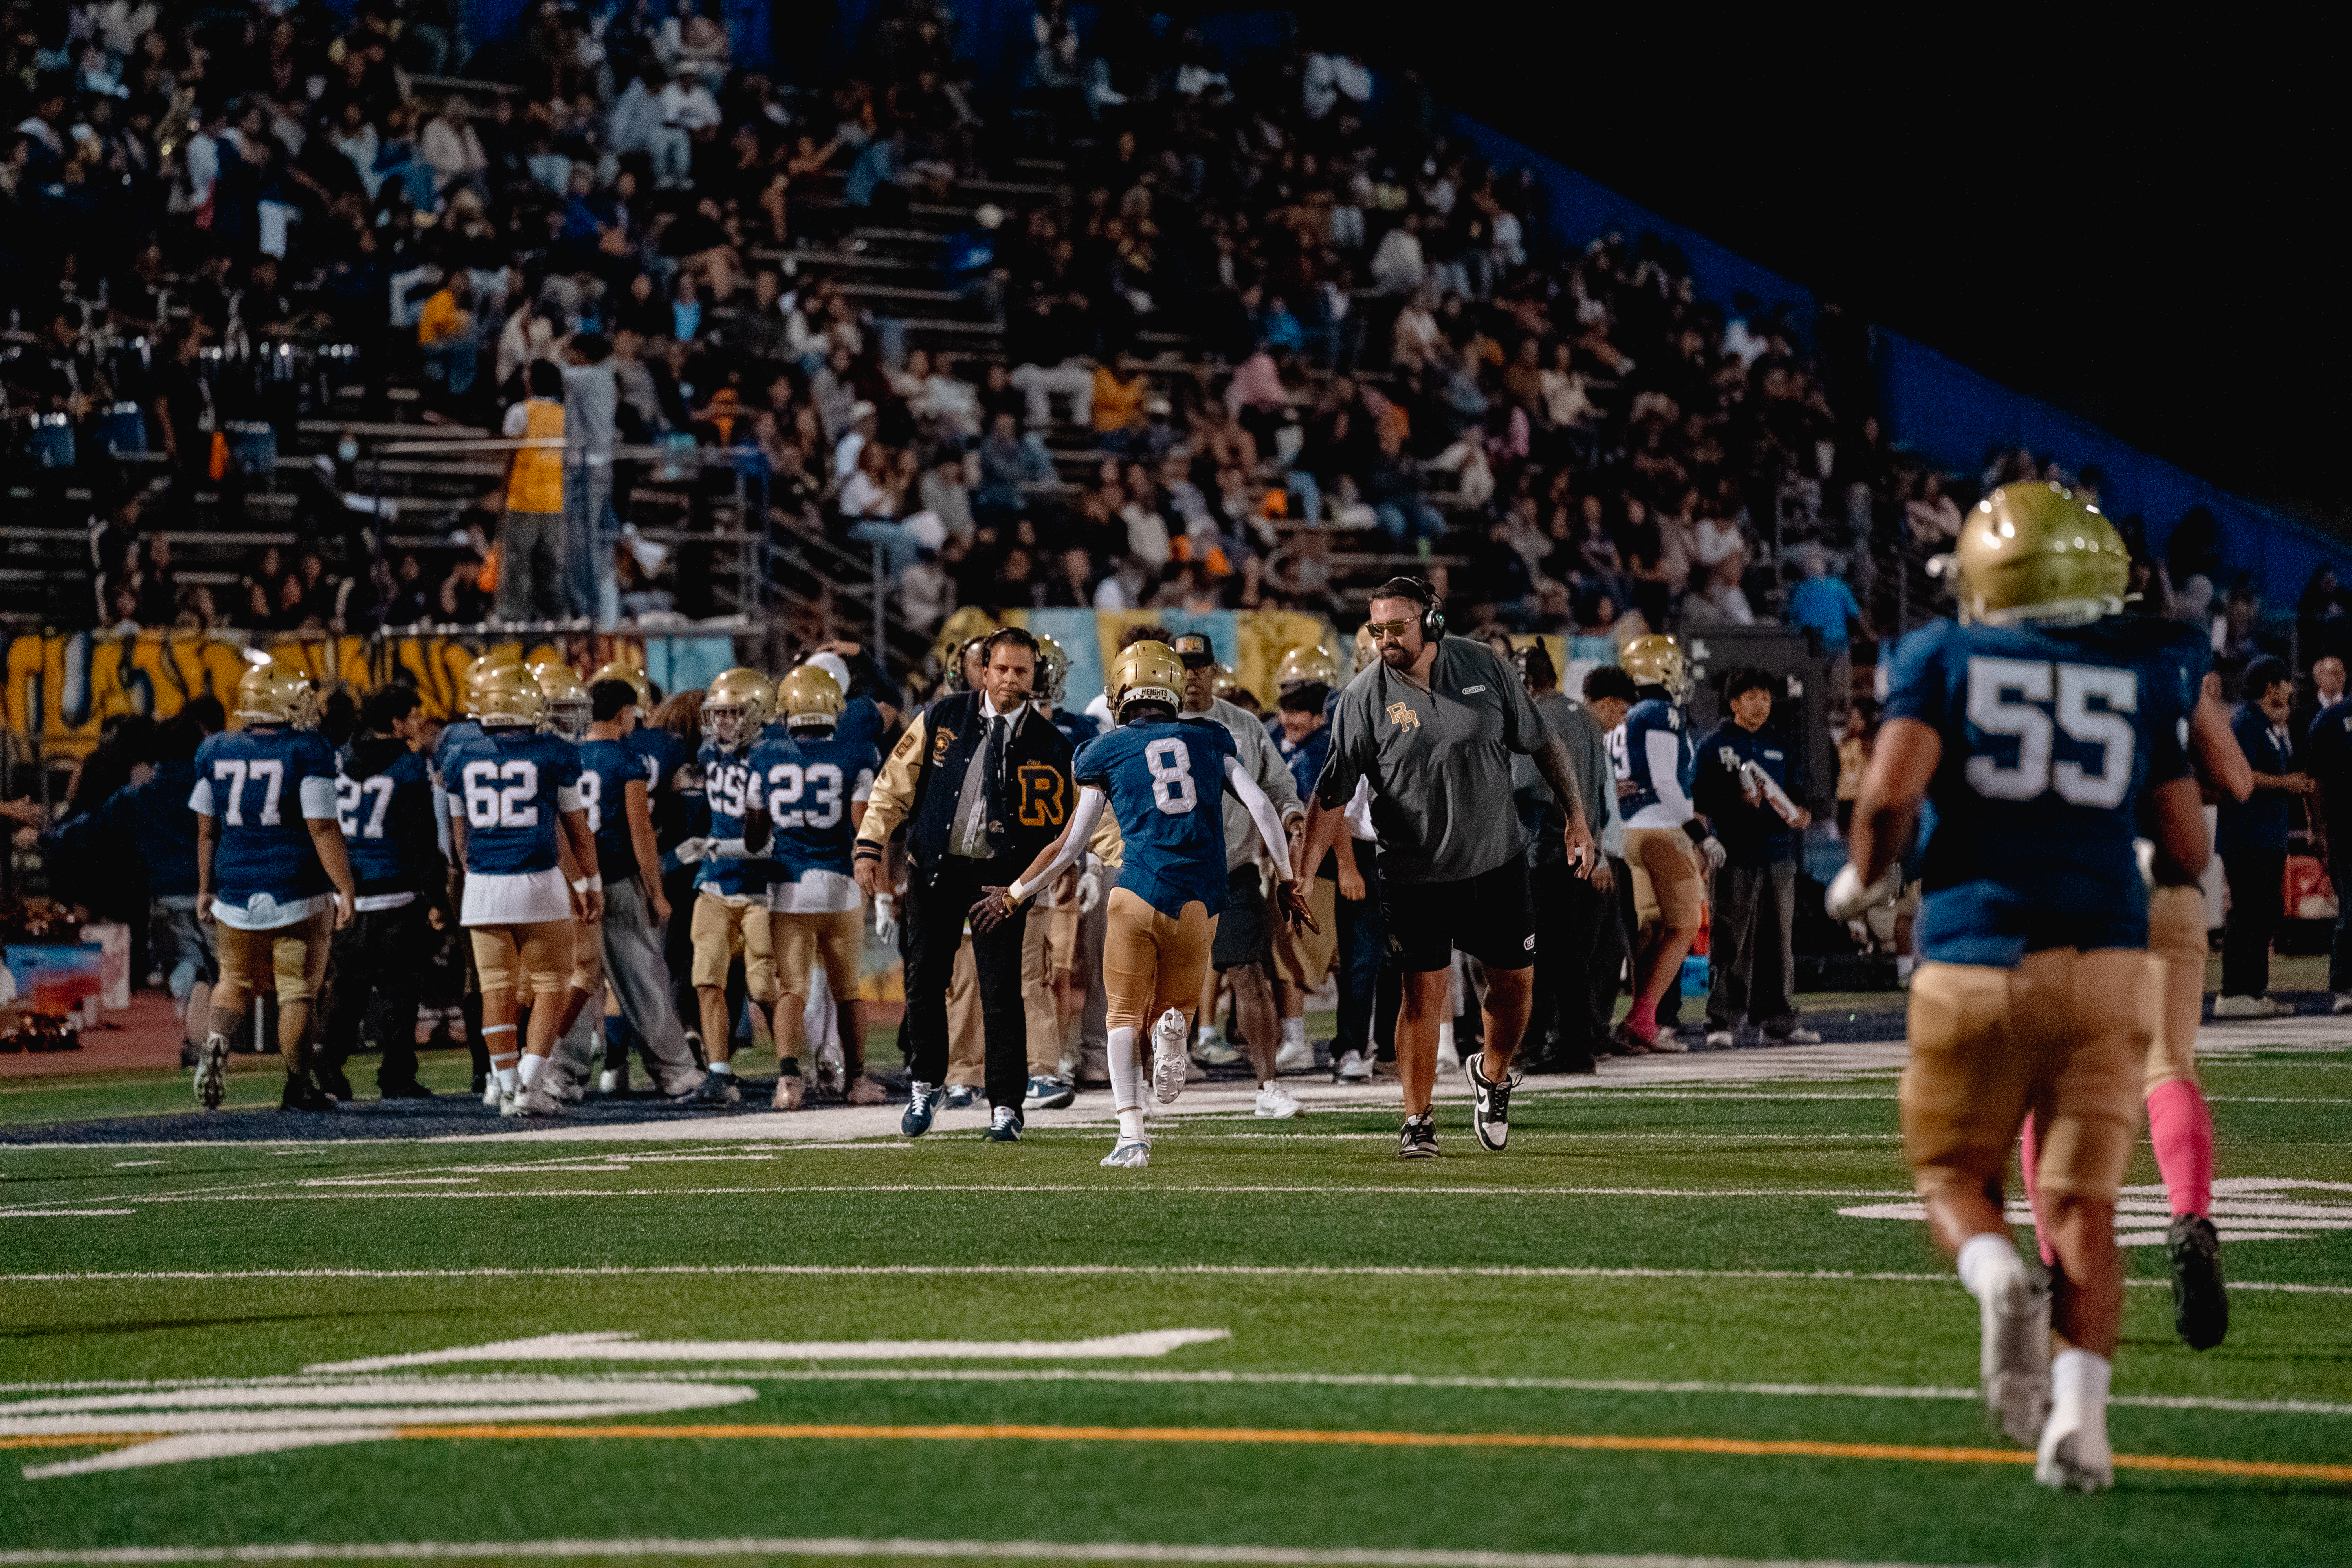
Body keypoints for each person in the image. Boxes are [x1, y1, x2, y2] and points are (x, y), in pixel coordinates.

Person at [1829, 480, 2209, 1492]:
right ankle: (2080, 1429)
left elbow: (1891, 793)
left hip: (1974, 956)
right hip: (2107, 968)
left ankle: (2000, 1279)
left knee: (1956, 1180)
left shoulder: (1943, 654)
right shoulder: (2140, 672)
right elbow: (2186, 843)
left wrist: (1868, 877)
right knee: (2084, 1207)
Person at [969, 641, 1310, 1168]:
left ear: (1120, 691)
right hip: (1202, 899)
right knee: (1177, 1006)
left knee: (1121, 1016)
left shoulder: (1102, 749)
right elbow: (1263, 806)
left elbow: (1070, 843)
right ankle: (1172, 1030)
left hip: (1137, 891)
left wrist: (1015, 892)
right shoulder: (1209, 735)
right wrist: (1288, 879)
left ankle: (1131, 1132)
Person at [1297, 578, 1598, 1157]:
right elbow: (1329, 793)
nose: (1385, 638)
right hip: (1413, 872)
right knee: (1422, 992)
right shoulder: (1362, 697)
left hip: (1496, 859)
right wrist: (1304, 872)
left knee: (1514, 985)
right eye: (1376, 628)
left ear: (1430, 621)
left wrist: (1576, 817)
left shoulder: (1484, 664)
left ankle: (1491, 1073)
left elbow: (1543, 742)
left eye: (1396, 626)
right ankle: (1417, 1119)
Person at [857, 627, 1113, 1142]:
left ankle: (1006, 1105)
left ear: (1035, 675)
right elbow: (891, 785)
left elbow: (1090, 818)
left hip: (1000, 881)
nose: (1010, 679)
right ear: (985, 669)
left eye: (1021, 670)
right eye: (1001, 668)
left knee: (1003, 993)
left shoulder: (1055, 745)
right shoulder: (940, 717)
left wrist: (1113, 861)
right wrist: (869, 842)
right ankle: (925, 1082)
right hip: (934, 869)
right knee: (925, 982)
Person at [190, 662, 358, 1112]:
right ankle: (298, 1084)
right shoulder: (307, 749)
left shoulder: (214, 749)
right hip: (296, 886)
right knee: (297, 990)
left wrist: (206, 888)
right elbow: (322, 827)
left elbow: (206, 832)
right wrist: (345, 886)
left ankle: (217, 1040)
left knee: (233, 980)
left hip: (235, 883)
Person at [444, 661, 599, 1117]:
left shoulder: (458, 754)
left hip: (483, 885)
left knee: (496, 988)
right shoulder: (553, 752)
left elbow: (458, 837)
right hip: (537, 881)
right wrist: (588, 883)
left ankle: (505, 1084)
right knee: (551, 985)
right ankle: (530, 1085)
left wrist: (476, 870)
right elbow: (577, 830)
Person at [728, 662, 886, 1109]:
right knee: (847, 989)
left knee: (792, 988)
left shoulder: (765, 755)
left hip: (789, 886)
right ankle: (855, 1081)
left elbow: (755, 837)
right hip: (839, 886)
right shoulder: (857, 754)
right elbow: (862, 825)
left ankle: (788, 1083)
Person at [1173, 629, 1309, 1118]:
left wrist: (1292, 817)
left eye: (1198, 666)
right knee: (1153, 984)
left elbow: (1278, 786)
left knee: (1250, 973)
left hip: (1231, 868)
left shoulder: (1243, 725)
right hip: (1169, 872)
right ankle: (1145, 1084)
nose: (1190, 676)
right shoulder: (1149, 723)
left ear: (1212, 670)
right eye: (1181, 666)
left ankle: (1267, 1085)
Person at [572, 675, 710, 1101]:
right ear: (623, 714)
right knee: (644, 979)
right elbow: (641, 832)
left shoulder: (570, 756)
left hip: (575, 884)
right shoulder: (626, 758)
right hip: (616, 877)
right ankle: (673, 1070)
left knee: (573, 983)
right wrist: (656, 892)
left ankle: (559, 1073)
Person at [316, 686, 443, 1101]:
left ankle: (329, 1062)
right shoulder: (408, 768)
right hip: (394, 895)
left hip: (348, 894)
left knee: (347, 990)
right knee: (400, 993)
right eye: (412, 713)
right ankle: (397, 1075)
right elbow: (420, 838)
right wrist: (436, 895)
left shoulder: (339, 758)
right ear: (395, 722)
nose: (418, 719)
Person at [1691, 668, 1819, 1049]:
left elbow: (1798, 793)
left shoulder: (1780, 741)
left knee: (1778, 943)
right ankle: (1721, 1021)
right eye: (1751, 697)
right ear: (1734, 703)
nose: (1761, 704)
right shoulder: (1714, 745)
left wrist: (1803, 813)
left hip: (1778, 855)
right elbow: (1699, 800)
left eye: (1765, 697)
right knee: (1730, 941)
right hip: (1734, 855)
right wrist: (1736, 802)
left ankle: (1778, 1021)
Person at [1510, 644, 1618, 1074]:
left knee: (1552, 954)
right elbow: (1601, 791)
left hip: (1549, 846)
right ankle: (1573, 1040)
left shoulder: (1537, 717)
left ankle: (1568, 1045)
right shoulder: (1586, 718)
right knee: (1570, 952)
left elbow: (1527, 787)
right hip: (1584, 846)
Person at [1612, 635, 1721, 1054]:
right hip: (1661, 828)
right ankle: (1642, 1018)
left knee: (1653, 928)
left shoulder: (1625, 713)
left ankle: (1638, 1019)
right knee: (1684, 926)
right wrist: (1699, 834)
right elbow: (1664, 782)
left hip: (1629, 830)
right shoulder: (1659, 712)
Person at [677, 667, 780, 1102]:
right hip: (716, 884)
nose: (721, 723)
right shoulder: (708, 754)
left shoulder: (776, 757)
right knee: (707, 977)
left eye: (733, 714)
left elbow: (773, 841)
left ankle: (794, 1066)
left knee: (766, 987)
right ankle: (719, 1073)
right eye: (718, 714)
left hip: (762, 885)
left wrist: (718, 845)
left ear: (758, 713)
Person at [2213, 656, 2310, 1017]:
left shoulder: (2270, 724)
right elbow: (2242, 774)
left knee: (2266, 911)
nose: (2289, 688)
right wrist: (2286, 783)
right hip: (2247, 834)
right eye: (2285, 681)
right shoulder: (2247, 721)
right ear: (2270, 685)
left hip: (2267, 834)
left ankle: (2254, 990)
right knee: (2249, 910)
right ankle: (2234, 990)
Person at [1268, 645, 1347, 1076]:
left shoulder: (1323, 749)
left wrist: (1344, 866)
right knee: (1291, 956)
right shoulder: (1291, 742)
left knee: (1321, 958)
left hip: (1322, 869)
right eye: (1284, 709)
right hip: (1297, 868)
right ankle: (1299, 1039)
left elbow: (1336, 814)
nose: (1287, 721)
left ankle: (1337, 1039)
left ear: (1320, 714)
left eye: (1297, 712)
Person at [1579, 665, 1639, 1059]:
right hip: (1597, 858)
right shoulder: (1582, 737)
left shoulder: (1591, 739)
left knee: (1611, 948)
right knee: (1597, 951)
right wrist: (1599, 857)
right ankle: (1588, 1031)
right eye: (1620, 711)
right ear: (1605, 704)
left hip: (1607, 855)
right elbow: (1582, 802)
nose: (1621, 720)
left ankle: (1596, 1030)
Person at [497, 360, 572, 623]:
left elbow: (510, 458)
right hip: (554, 502)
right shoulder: (565, 415)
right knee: (548, 565)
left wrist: (502, 494)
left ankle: (512, 618)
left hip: (524, 499)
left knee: (517, 563)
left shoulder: (520, 413)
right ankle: (551, 618)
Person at [1787, 543, 1869, 718]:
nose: (1813, 565)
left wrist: (1868, 633)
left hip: (1835, 644)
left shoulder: (1838, 587)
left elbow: (1855, 615)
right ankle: (1806, 714)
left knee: (1838, 686)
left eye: (1817, 560)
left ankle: (1836, 716)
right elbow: (1793, 620)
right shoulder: (1800, 591)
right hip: (1810, 647)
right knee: (1811, 684)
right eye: (1809, 561)